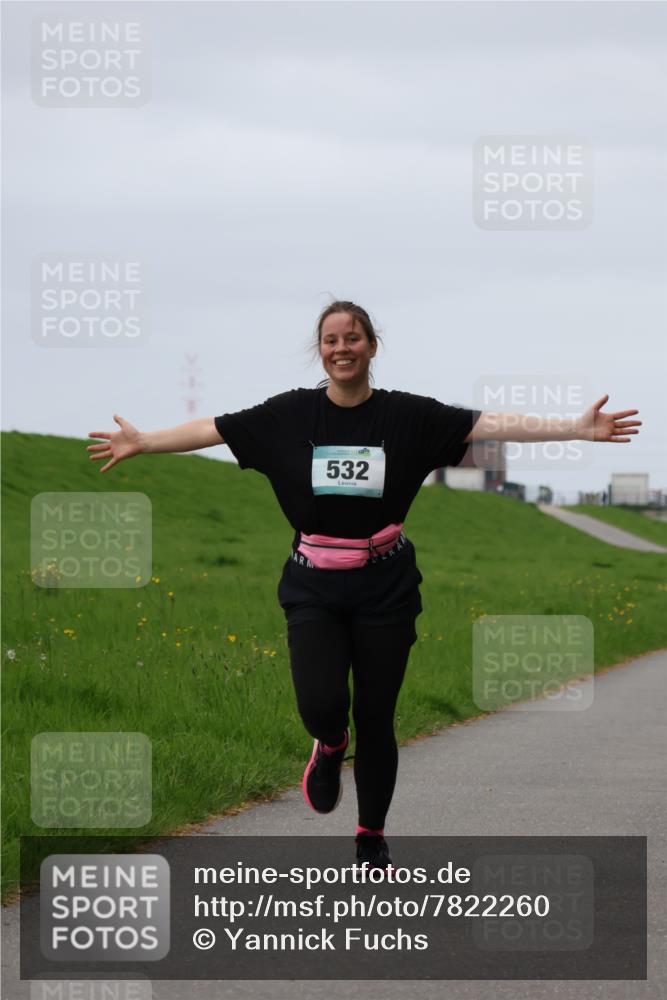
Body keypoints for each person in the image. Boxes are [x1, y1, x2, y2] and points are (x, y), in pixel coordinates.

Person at [87, 299, 641, 869]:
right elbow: (215, 428)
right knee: (322, 703)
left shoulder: (407, 417)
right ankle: (329, 745)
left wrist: (576, 428)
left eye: (353, 338)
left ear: (371, 346)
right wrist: (144, 441)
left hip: (385, 585)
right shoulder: (289, 416)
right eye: (331, 340)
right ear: (320, 351)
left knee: (377, 714)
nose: (342, 348)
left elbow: (489, 423)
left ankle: (371, 835)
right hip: (313, 587)